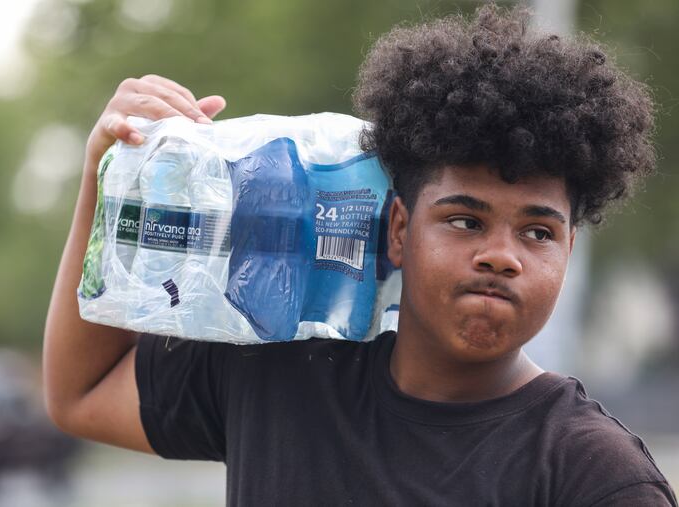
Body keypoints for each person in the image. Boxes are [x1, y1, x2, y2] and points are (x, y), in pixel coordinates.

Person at [43, 4, 677, 505]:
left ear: (568, 248)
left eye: (538, 232)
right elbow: (81, 392)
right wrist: (107, 175)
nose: (501, 256)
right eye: (465, 219)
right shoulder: (284, 369)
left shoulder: (592, 475)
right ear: (398, 230)